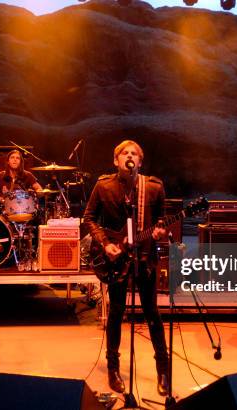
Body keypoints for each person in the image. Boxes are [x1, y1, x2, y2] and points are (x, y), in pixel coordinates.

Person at [83, 140, 169, 396]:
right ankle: (113, 368)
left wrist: (159, 231)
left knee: (152, 313)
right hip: (116, 259)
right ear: (116, 160)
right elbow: (89, 218)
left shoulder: (153, 187)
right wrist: (105, 243)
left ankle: (162, 369)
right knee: (116, 313)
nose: (129, 156)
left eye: (134, 154)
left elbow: (162, 219)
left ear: (140, 162)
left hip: (144, 259)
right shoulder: (103, 185)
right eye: (124, 153)